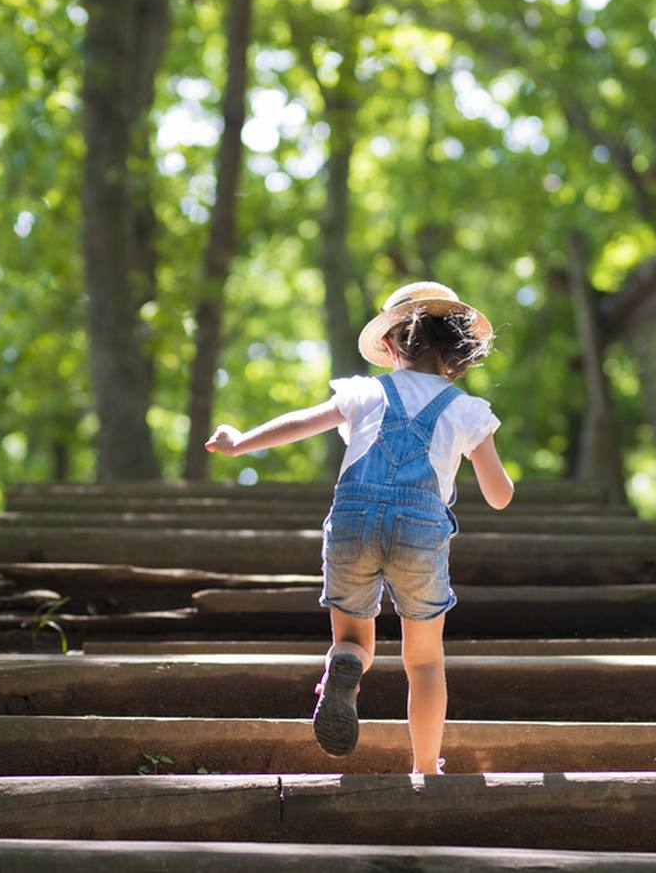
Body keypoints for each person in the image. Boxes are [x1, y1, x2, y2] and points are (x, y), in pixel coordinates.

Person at [205, 281, 513, 775]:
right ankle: (425, 768)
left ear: (390, 347)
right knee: (425, 660)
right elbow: (499, 497)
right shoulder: (467, 410)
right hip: (419, 531)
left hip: (352, 522)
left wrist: (240, 444)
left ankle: (345, 664)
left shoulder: (365, 391)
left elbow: (301, 421)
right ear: (457, 354)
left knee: (353, 639)